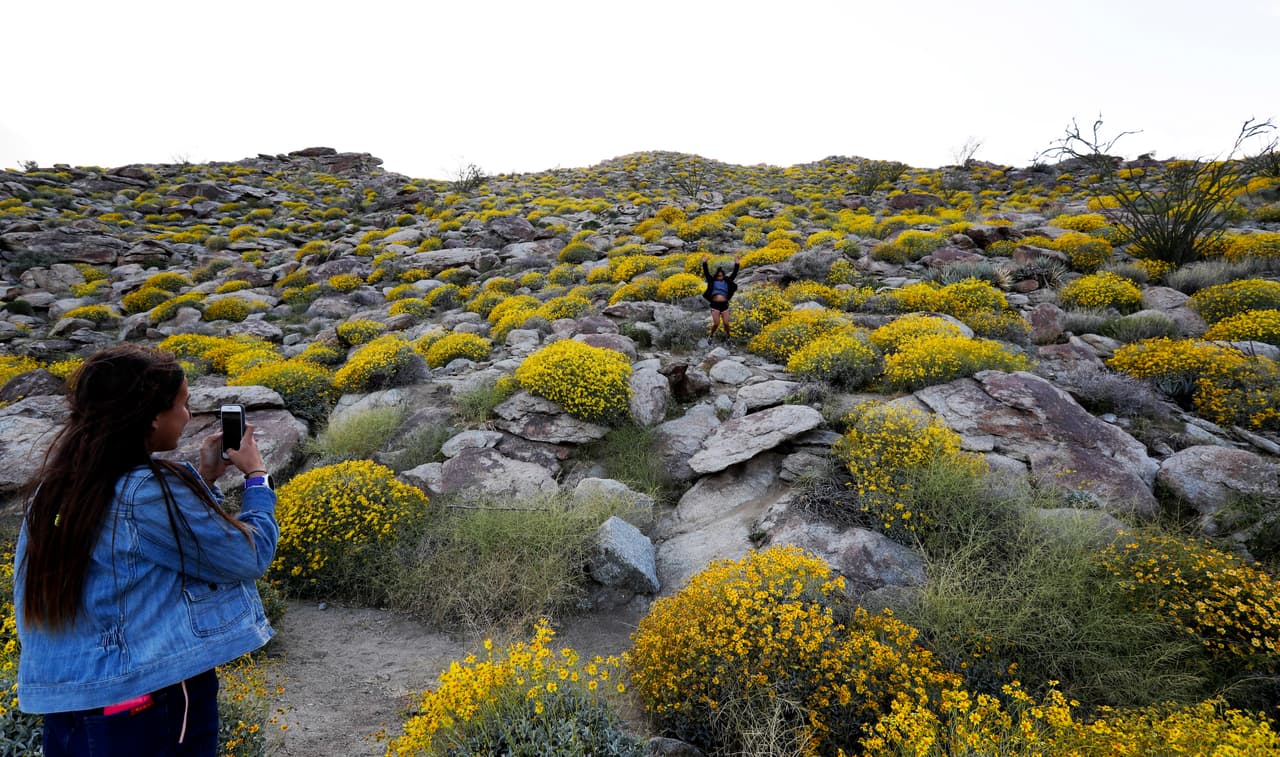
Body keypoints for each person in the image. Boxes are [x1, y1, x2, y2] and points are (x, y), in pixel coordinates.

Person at [14, 344, 279, 757]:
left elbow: (135, 544)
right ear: (153, 417)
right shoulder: (145, 493)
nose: (188, 416)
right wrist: (257, 478)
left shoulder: (56, 489)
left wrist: (204, 478)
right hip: (149, 699)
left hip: (71, 705)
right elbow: (249, 555)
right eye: (184, 404)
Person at [701, 254, 741, 338]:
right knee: (716, 323)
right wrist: (704, 262)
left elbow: (734, 274)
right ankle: (711, 335)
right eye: (718, 275)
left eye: (721, 275)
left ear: (723, 275)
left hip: (724, 305)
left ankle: (728, 336)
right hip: (715, 305)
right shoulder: (712, 281)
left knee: (726, 323)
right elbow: (706, 273)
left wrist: (737, 264)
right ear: (716, 275)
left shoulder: (727, 281)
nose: (720, 276)